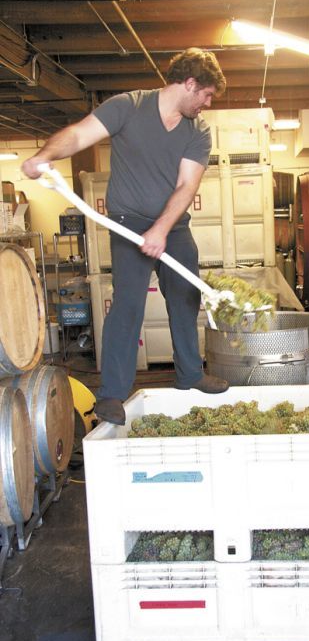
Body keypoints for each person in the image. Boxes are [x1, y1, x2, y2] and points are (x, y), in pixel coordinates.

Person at [22, 47, 229, 425]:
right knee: (127, 305)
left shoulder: (197, 130)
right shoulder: (128, 107)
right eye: (207, 94)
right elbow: (78, 135)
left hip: (173, 226)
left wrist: (162, 230)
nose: (208, 103)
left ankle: (190, 374)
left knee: (185, 296)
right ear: (190, 83)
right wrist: (44, 155)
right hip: (127, 224)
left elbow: (186, 186)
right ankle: (112, 395)